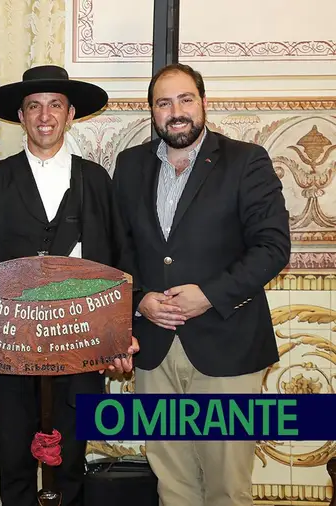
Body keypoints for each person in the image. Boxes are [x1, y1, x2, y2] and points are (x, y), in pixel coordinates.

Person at [0, 64, 139, 506]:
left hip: (83, 341)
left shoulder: (97, 179)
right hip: (11, 343)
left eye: (55, 105)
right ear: (20, 117)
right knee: (16, 458)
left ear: (71, 114)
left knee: (72, 459)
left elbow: (117, 264)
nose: (44, 115)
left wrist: (120, 336)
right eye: (33, 106)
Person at [112, 63, 290, 506]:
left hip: (227, 347)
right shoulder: (129, 165)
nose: (176, 111)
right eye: (163, 102)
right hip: (153, 349)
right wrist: (138, 300)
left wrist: (209, 295)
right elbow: (118, 249)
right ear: (152, 111)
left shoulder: (246, 160)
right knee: (173, 485)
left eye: (185, 99)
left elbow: (272, 247)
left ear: (204, 102)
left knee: (227, 487)